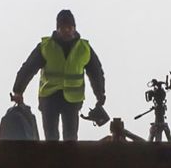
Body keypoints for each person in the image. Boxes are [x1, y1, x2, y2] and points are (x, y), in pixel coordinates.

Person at [11, 9, 106, 141]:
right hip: (49, 98)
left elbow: (96, 73)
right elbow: (28, 68)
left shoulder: (84, 48)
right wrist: (18, 90)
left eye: (69, 27)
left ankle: (69, 161)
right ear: (57, 29)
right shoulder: (46, 47)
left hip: (72, 100)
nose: (66, 30)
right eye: (63, 28)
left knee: (70, 138)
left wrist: (100, 94)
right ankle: (52, 161)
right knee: (51, 138)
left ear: (74, 28)